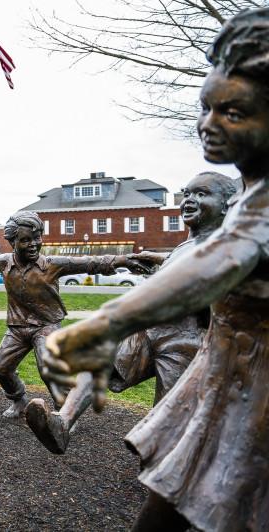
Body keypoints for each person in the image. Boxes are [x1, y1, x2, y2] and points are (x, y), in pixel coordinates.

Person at [42, 9, 269, 531]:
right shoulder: (245, 202)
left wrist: (109, 319)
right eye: (205, 108)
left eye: (232, 112)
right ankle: (64, 420)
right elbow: (189, 261)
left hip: (248, 392)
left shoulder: (255, 215)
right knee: (168, 502)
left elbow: (220, 262)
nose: (208, 125)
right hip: (225, 377)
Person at [25, 172, 238, 454]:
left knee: (172, 415)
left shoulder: (229, 245)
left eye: (202, 194)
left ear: (227, 205)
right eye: (187, 193)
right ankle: (62, 422)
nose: (189, 200)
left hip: (187, 341)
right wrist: (161, 261)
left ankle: (170, 476)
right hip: (150, 328)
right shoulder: (187, 244)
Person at [0, 211, 154, 419]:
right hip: (18, 327)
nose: (33, 244)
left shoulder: (52, 264)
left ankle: (65, 412)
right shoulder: (4, 262)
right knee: (1, 369)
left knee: (48, 369)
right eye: (26, 240)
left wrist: (125, 260)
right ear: (12, 243)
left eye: (37, 238)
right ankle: (18, 400)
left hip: (46, 326)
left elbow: (91, 262)